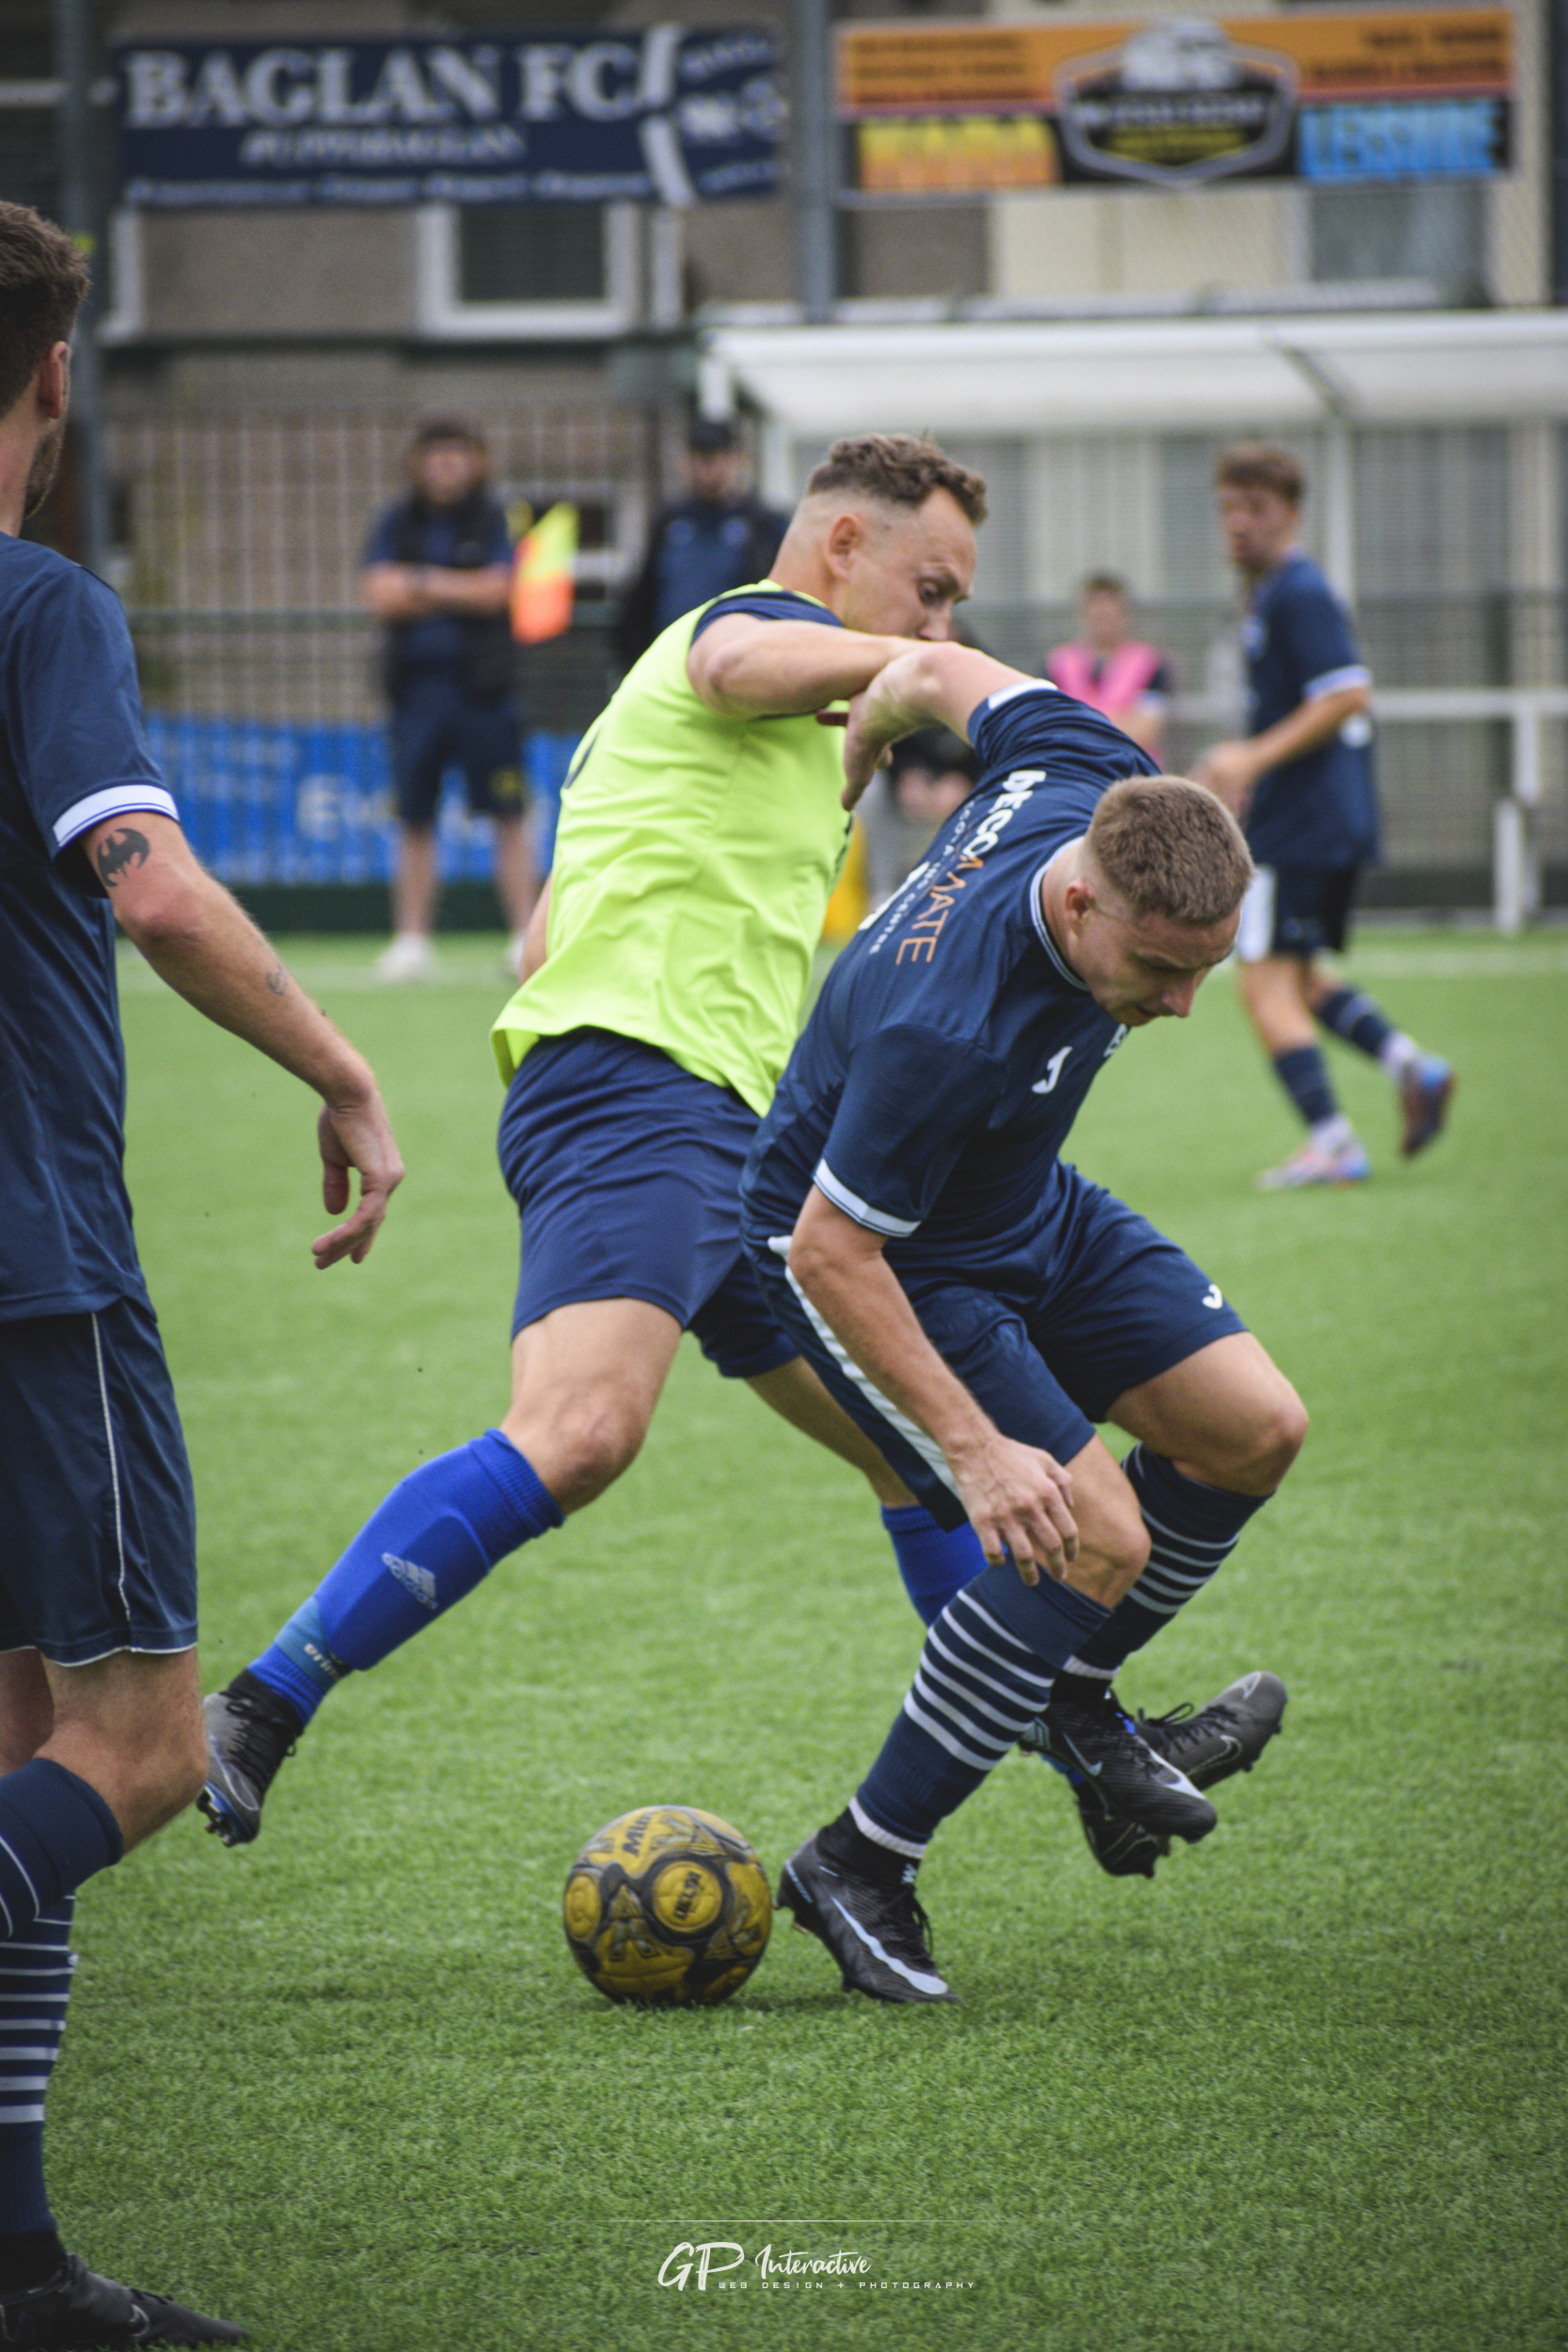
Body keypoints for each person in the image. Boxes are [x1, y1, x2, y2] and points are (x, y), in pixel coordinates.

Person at [198, 435, 1003, 1849]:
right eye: (926, 592)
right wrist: (962, 681)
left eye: (952, 609)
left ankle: (1089, 1742)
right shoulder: (742, 631)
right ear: (838, 551)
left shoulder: (791, 735)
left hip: (716, 1129)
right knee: (576, 1433)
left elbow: (539, 933)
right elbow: (734, 666)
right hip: (645, 1089)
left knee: (917, 1448)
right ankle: (259, 1703)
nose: (935, 628)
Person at [0, 202, 404, 2342]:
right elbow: (144, 886)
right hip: (30, 1268)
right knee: (138, 1745)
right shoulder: (37, 600)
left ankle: (21, 2263)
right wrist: (338, 1061)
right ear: (55, 385)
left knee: (14, 1735)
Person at [738, 641, 1304, 2003]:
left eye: (1203, 972)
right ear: (1079, 901)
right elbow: (828, 1247)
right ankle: (859, 1862)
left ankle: (1069, 1702)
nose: (1177, 1005)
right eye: (1161, 969)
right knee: (1091, 1532)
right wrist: (976, 1455)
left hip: (1019, 1205)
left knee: (1254, 1430)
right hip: (885, 1265)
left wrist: (866, 730)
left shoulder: (1094, 775)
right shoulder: (949, 1028)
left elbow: (937, 663)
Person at [1197, 444, 1454, 1188]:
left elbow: (1346, 691)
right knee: (1301, 976)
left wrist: (1251, 758)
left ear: (1291, 514)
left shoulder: (1296, 590)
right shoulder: (1271, 594)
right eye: (1227, 509)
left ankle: (1332, 1141)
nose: (1238, 525)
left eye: (1256, 509)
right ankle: (1414, 1065)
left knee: (1258, 980)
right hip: (1322, 818)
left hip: (1302, 823)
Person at [362, 419, 533, 981]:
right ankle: (411, 941)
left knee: (508, 814)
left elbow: (498, 590)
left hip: (485, 692)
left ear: (477, 460)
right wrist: (457, 585)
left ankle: (523, 937)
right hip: (416, 692)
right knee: (414, 817)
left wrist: (421, 584)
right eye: (436, 454)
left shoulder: (496, 518)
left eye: (458, 453)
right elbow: (379, 594)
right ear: (418, 462)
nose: (447, 465)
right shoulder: (396, 520)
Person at [614, 418, 789, 670]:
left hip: (737, 664)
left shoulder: (762, 523)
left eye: (717, 456)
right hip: (673, 664)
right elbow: (643, 596)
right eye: (700, 457)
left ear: (737, 459)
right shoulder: (669, 522)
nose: (708, 467)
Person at [1046, 574, 1173, 760]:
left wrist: (1078, 727)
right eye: (1095, 603)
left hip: (1131, 770)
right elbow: (1049, 727)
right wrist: (1119, 722)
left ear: (1124, 612)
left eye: (1109, 604)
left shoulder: (1149, 663)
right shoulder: (1057, 664)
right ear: (1082, 611)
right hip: (1073, 769)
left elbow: (1146, 729)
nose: (1102, 611)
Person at [858, 724, 979, 907]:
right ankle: (881, 894)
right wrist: (905, 773)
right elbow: (883, 742)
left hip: (965, 783)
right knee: (870, 789)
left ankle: (966, 895)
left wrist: (970, 780)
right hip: (908, 781)